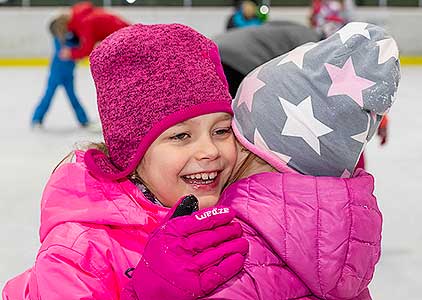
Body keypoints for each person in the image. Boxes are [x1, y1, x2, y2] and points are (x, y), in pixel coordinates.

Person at [123, 22, 400, 299]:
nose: (211, 151)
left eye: (224, 131)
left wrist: (148, 291)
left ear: (249, 146)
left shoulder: (230, 253)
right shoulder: (345, 252)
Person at [2, 23, 248, 300]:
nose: (210, 151)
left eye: (221, 131)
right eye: (180, 136)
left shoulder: (240, 213)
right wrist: (147, 293)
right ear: (132, 152)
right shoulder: (80, 252)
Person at [214, 20, 320, 97]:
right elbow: (306, 73)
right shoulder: (310, 39)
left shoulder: (294, 28)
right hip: (233, 58)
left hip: (219, 47)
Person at [31, 14, 89, 128]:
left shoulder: (73, 36)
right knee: (48, 96)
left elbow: (78, 49)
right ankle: (37, 119)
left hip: (68, 74)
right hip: (56, 74)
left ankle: (83, 120)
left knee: (73, 98)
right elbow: (64, 53)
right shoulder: (58, 39)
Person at [59, 1, 130, 60]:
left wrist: (71, 53)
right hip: (126, 31)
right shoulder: (79, 14)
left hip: (125, 38)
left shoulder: (83, 23)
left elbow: (87, 49)